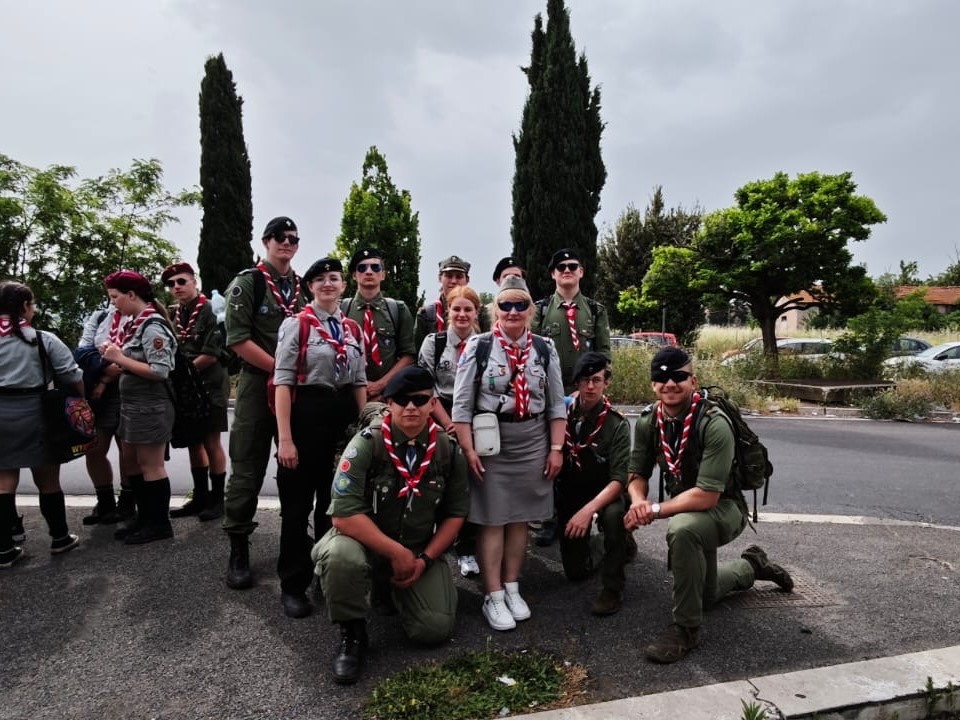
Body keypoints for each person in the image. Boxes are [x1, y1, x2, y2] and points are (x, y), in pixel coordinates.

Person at [625, 346, 794, 664]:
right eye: (661, 378)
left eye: (679, 377)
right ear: (653, 384)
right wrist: (637, 502)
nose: (670, 384)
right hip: (687, 507)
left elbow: (707, 495)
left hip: (724, 507)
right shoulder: (649, 421)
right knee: (705, 594)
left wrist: (655, 510)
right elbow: (636, 475)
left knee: (683, 529)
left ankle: (686, 630)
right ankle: (752, 565)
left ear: (693, 380)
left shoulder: (713, 423)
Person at [312, 366, 469, 685]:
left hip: (416, 548)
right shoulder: (366, 444)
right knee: (341, 558)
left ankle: (390, 589)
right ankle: (352, 633)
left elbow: (455, 514)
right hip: (364, 543)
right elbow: (343, 514)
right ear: (389, 403)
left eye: (419, 399)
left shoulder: (447, 450)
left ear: (432, 404)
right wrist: (395, 552)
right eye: (401, 400)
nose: (411, 407)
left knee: (433, 630)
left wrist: (424, 560)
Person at [451, 275, 566, 632]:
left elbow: (556, 405)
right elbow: (461, 406)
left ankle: (512, 586)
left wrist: (556, 449)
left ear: (531, 310)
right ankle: (493, 594)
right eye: (506, 305)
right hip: (492, 444)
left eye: (520, 305)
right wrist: (468, 449)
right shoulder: (479, 347)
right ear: (495, 310)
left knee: (520, 519)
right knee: (493, 519)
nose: (513, 311)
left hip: (532, 440)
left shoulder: (545, 348)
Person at [274, 257, 367, 619]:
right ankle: (292, 584)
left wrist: (364, 428)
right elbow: (283, 382)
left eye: (334, 278)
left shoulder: (352, 329)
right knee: (297, 508)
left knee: (334, 505)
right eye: (320, 279)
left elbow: (359, 382)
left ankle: (327, 577)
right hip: (305, 417)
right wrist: (285, 439)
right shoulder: (297, 325)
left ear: (344, 285)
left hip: (342, 420)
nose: (328, 283)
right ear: (309, 287)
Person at [222, 216, 306, 589]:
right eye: (279, 237)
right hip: (259, 386)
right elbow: (238, 340)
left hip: (295, 390)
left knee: (296, 465)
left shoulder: (302, 287)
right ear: (266, 242)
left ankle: (296, 539)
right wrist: (280, 370)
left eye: (293, 238)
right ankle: (238, 546)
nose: (286, 243)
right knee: (247, 467)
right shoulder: (249, 283)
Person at [531, 248, 612, 547]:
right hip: (550, 396)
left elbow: (604, 355)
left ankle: (592, 515)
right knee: (551, 456)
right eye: (561, 266)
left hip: (585, 395)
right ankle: (551, 517)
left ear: (581, 272)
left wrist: (587, 388)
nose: (567, 270)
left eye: (572, 266)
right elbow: (532, 351)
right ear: (553, 274)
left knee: (587, 456)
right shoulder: (540, 310)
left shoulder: (595, 310)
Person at [0, 281, 82, 567]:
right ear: (25, 306)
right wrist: (82, 399)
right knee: (47, 479)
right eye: (32, 304)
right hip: (37, 413)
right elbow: (72, 375)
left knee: (4, 480)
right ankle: (60, 537)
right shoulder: (42, 339)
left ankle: (4, 548)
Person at [100, 271, 178, 545]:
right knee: (132, 462)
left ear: (131, 295)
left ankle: (159, 524)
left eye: (115, 297)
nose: (113, 303)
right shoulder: (137, 323)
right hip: (134, 406)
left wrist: (120, 358)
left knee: (151, 465)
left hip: (150, 406)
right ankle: (144, 518)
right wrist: (117, 355)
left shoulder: (153, 326)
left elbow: (159, 371)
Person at [556, 352, 631, 616]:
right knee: (575, 571)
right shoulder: (560, 415)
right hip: (572, 490)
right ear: (576, 382)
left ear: (606, 382)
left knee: (613, 517)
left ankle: (613, 588)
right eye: (585, 380)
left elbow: (619, 479)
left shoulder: (616, 423)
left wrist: (588, 511)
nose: (590, 386)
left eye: (597, 380)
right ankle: (609, 545)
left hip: (605, 491)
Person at [417, 284, 482, 578]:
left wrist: (465, 423)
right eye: (457, 308)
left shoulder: (486, 344)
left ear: (476, 312)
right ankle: (431, 544)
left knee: (467, 484)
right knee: (435, 481)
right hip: (440, 413)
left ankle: (466, 548)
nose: (462, 314)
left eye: (468, 309)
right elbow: (426, 387)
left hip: (475, 416)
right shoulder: (435, 342)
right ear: (448, 311)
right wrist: (448, 424)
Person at [162, 262, 229, 521]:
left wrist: (181, 375)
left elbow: (211, 354)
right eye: (171, 284)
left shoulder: (212, 309)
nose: (176, 287)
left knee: (211, 441)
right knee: (193, 442)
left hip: (210, 385)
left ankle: (217, 499)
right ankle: (200, 497)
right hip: (188, 387)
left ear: (194, 281)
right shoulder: (176, 313)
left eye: (182, 281)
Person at [73, 304, 137, 526]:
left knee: (128, 451)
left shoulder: (141, 316)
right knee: (94, 449)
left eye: (118, 293)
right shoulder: (100, 316)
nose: (114, 299)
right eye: (111, 294)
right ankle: (105, 502)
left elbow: (136, 355)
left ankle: (128, 502)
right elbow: (82, 350)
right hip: (99, 396)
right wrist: (104, 367)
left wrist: (109, 374)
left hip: (130, 390)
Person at [340, 247, 415, 402]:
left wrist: (381, 384)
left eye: (375, 267)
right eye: (362, 268)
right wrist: (359, 385)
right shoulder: (341, 309)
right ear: (354, 275)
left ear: (383, 275)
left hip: (387, 396)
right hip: (348, 395)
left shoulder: (398, 309)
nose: (369, 272)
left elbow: (408, 356)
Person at [415, 255, 489, 348]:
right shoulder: (427, 314)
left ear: (467, 280)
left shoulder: (481, 312)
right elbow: (417, 350)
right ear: (440, 278)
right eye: (449, 276)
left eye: (459, 277)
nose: (453, 281)